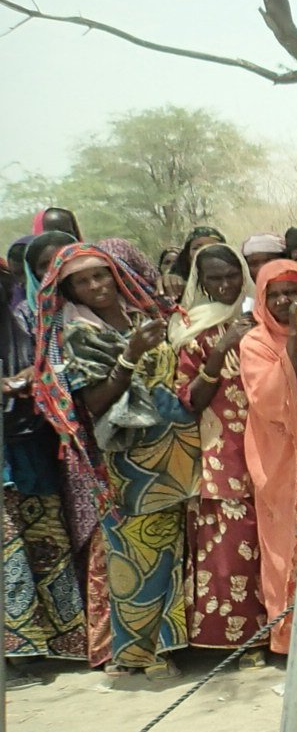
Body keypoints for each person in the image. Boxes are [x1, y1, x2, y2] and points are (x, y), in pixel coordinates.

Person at [33, 241, 200, 677]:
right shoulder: (80, 332)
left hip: (175, 453)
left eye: (101, 275)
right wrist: (129, 357)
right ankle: (139, 656)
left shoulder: (140, 313)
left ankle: (173, 644)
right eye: (83, 282)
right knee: (138, 556)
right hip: (132, 462)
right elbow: (95, 402)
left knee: (174, 550)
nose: (96, 286)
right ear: (70, 292)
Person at [169, 243, 270, 662]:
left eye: (232, 274)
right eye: (215, 278)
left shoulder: (259, 320)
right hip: (220, 454)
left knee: (267, 545)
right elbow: (189, 398)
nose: (226, 284)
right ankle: (235, 643)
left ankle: (272, 633)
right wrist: (219, 350)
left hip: (267, 448)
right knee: (228, 552)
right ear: (202, 282)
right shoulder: (192, 329)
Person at [2, 238, 86, 662]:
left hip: (35, 448)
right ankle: (20, 652)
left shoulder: (33, 323)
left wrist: (32, 381)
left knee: (48, 545)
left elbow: (55, 372)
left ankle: (65, 643)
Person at [238, 259, 297, 654]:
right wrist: (296, 340)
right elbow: (267, 398)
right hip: (278, 457)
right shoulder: (255, 342)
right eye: (275, 294)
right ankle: (290, 638)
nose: (285, 301)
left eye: (293, 292)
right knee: (285, 545)